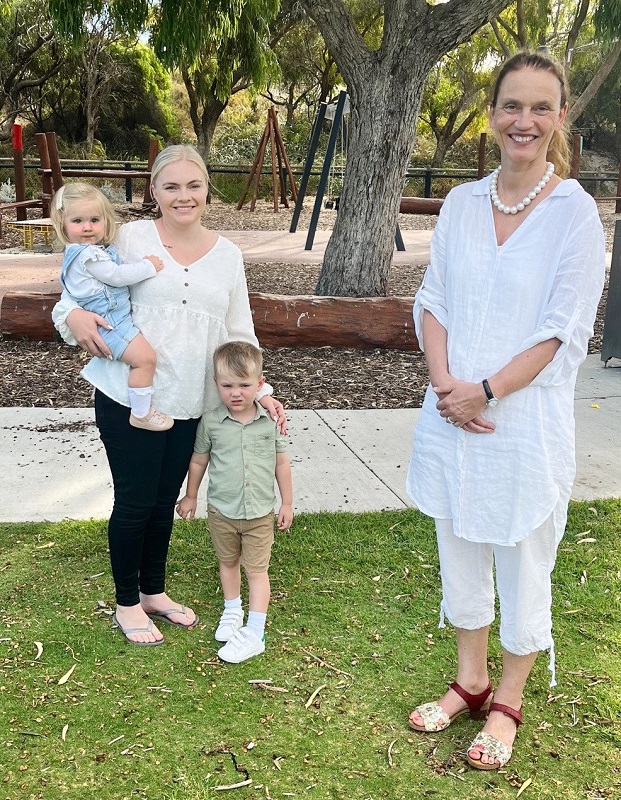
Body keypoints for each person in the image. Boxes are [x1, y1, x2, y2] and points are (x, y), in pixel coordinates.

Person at [405, 50, 605, 771]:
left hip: (520, 421)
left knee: (522, 556)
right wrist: (446, 385)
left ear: (557, 119)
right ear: (491, 114)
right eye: (511, 105)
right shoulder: (460, 204)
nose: (524, 120)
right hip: (450, 407)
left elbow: (561, 329)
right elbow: (433, 301)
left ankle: (510, 699)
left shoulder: (572, 213)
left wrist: (485, 392)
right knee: (457, 541)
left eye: (540, 107)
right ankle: (470, 678)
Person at [52, 144, 286, 647]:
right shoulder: (130, 238)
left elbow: (238, 330)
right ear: (154, 191)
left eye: (193, 185)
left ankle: (154, 591)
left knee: (163, 503)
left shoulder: (228, 256)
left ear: (207, 189)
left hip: (192, 400)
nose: (184, 196)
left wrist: (260, 388)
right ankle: (127, 602)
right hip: (127, 395)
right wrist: (70, 319)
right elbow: (74, 293)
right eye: (171, 186)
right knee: (135, 503)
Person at [176, 341, 293, 663]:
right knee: (227, 562)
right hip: (222, 511)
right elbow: (199, 461)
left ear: (260, 384)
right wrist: (191, 495)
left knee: (257, 570)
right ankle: (232, 610)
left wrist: (286, 504)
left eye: (244, 385)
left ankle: (255, 630)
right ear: (217, 385)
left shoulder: (270, 422)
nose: (236, 393)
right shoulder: (211, 422)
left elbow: (282, 463)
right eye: (227, 385)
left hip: (259, 513)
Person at [51, 183, 173, 431]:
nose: (87, 227)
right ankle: (141, 412)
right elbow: (116, 276)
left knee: (143, 359)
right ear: (62, 224)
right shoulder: (87, 255)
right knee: (145, 359)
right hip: (111, 325)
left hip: (113, 321)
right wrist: (148, 266)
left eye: (94, 219)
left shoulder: (83, 252)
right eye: (78, 221)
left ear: (106, 221)